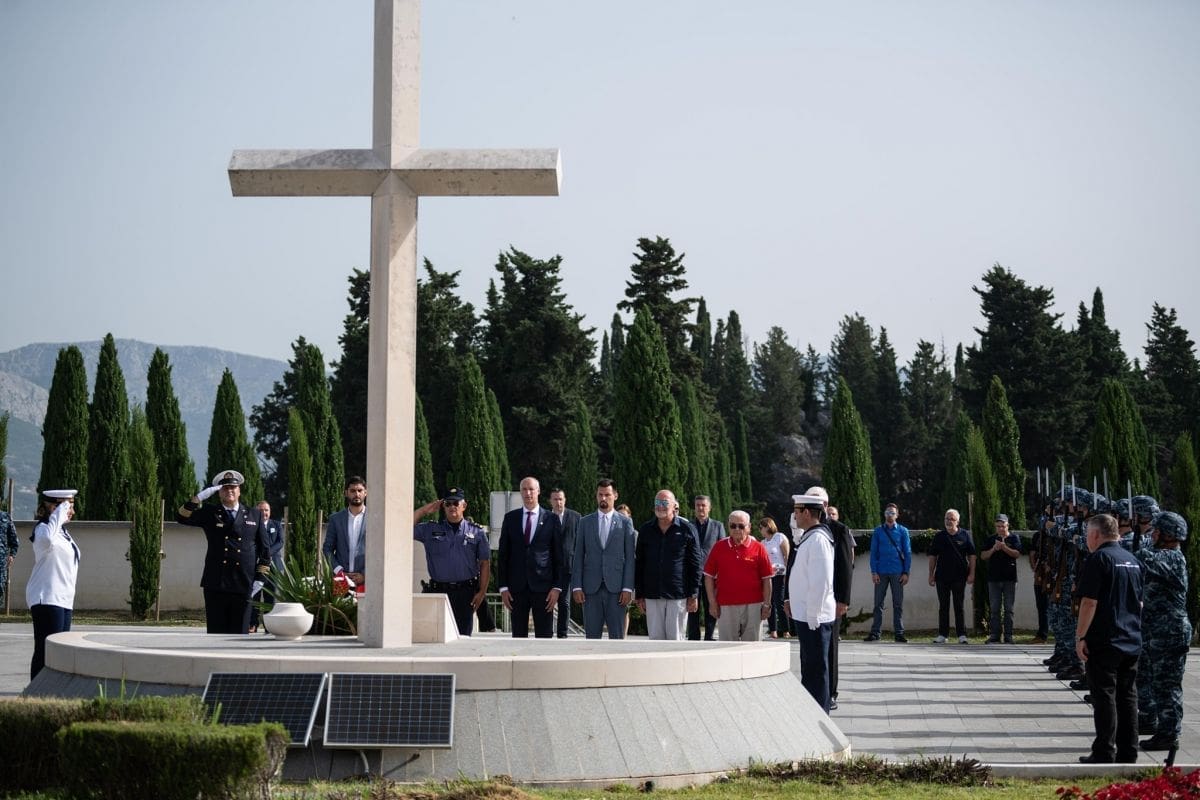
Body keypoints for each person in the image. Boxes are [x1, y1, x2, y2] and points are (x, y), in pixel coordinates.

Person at [1075, 512, 1143, 764]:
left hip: (1105, 640)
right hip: (1131, 638)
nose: (1086, 540)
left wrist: (1081, 636)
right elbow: (1140, 602)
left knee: (1104, 696)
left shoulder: (1099, 559)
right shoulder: (1133, 560)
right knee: (1128, 697)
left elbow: (1089, 602)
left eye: (1087, 535)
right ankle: (1129, 751)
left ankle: (1104, 750)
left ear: (1095, 534)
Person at [176, 470, 271, 634]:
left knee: (240, 634)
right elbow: (181, 517)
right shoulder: (209, 512)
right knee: (216, 632)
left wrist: (260, 578)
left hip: (243, 582)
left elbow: (265, 551)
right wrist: (198, 498)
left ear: (239, 490)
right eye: (225, 488)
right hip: (216, 582)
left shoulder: (254, 514)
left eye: (233, 487)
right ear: (219, 492)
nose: (230, 491)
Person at [1135, 511, 1191, 752]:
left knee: (1167, 685)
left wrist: (1139, 539)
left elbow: (1142, 558)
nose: (1152, 534)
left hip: (1170, 631)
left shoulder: (1173, 558)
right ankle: (1150, 720)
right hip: (1155, 631)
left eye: (1156, 531)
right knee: (1150, 680)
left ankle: (1169, 734)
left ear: (1168, 535)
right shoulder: (1162, 554)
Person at [412, 488, 491, 636]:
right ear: (443, 506)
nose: (452, 507)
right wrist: (424, 510)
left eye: (456, 503)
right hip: (438, 592)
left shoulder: (477, 532)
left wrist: (481, 592)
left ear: (464, 506)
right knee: (435, 637)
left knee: (462, 638)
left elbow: (485, 563)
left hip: (465, 593)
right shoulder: (431, 529)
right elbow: (402, 528)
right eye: (448, 503)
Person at [785, 493, 836, 711]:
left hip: (813, 617)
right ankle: (811, 712)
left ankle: (819, 713)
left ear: (807, 512)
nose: (794, 515)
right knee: (810, 668)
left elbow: (821, 581)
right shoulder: (810, 536)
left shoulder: (818, 540)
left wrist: (813, 613)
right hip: (806, 615)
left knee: (816, 670)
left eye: (797, 511)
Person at [805, 486, 854, 708]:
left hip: (830, 600)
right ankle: (810, 689)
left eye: (816, 501)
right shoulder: (802, 531)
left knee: (829, 646)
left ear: (824, 505)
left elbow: (845, 567)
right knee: (808, 647)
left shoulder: (839, 530)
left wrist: (843, 600)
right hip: (806, 600)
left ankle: (830, 692)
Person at [570, 479, 636, 639]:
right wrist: (576, 586)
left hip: (617, 590)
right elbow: (578, 556)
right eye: (600, 494)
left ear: (615, 496)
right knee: (591, 638)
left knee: (617, 638)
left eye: (607, 494)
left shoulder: (625, 523)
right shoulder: (585, 522)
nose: (603, 498)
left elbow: (630, 558)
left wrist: (628, 588)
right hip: (590, 590)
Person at [498, 476, 563, 638]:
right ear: (520, 492)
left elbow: (559, 557)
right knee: (518, 636)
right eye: (524, 490)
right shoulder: (510, 518)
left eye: (531, 489)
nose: (528, 493)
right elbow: (503, 555)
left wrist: (557, 587)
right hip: (516, 588)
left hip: (544, 588)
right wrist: (503, 587)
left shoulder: (551, 519)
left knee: (544, 636)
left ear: (538, 492)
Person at [634, 489, 701, 640]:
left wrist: (694, 594)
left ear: (674, 506)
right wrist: (639, 594)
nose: (660, 506)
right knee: (655, 641)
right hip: (652, 594)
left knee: (675, 640)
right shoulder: (645, 530)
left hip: (678, 595)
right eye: (657, 503)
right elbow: (639, 564)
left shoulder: (687, 529)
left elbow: (695, 564)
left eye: (664, 503)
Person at [26, 489, 79, 679]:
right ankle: (35, 694)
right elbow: (47, 539)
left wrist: (61, 511)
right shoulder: (43, 529)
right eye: (69, 507)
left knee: (59, 651)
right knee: (45, 650)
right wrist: (60, 511)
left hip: (63, 600)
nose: (72, 511)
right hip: (46, 598)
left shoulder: (63, 533)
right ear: (54, 508)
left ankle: (52, 692)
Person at [703, 510, 773, 642]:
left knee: (752, 648)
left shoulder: (759, 548)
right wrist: (712, 603)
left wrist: (767, 605)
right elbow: (708, 577)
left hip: (753, 606)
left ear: (749, 527)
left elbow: (767, 579)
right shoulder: (719, 547)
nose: (736, 529)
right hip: (726, 605)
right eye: (733, 526)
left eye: (741, 526)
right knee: (727, 648)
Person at [928, 508, 976, 644]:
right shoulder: (939, 537)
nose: (949, 521)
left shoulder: (965, 535)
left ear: (958, 521)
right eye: (947, 518)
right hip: (941, 577)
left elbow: (972, 556)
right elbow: (933, 556)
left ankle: (962, 635)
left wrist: (972, 574)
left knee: (959, 606)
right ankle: (943, 634)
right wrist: (930, 575)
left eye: (952, 519)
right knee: (943, 606)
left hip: (959, 577)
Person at [865, 503, 910, 642]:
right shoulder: (878, 531)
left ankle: (899, 633)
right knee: (878, 603)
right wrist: (874, 572)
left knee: (898, 603)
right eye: (887, 512)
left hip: (897, 572)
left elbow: (907, 552)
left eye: (892, 512)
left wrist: (906, 572)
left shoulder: (903, 531)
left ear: (897, 515)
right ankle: (875, 632)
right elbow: (874, 553)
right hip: (881, 571)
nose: (890, 514)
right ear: (884, 514)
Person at [687, 495, 726, 641]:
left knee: (711, 604)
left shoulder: (718, 526)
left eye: (703, 505)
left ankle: (709, 636)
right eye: (697, 505)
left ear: (709, 507)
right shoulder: (689, 526)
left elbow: (722, 549)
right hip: (693, 573)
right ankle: (693, 637)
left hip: (711, 574)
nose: (700, 508)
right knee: (692, 606)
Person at [981, 514, 1022, 643]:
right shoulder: (990, 539)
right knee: (994, 609)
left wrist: (1004, 547)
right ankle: (995, 635)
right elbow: (983, 556)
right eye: (998, 526)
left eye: (1002, 526)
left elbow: (1017, 554)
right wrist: (994, 548)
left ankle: (1008, 636)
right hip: (993, 579)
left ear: (1007, 525)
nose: (1000, 529)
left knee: (1009, 608)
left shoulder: (1014, 538)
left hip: (1009, 579)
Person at [322, 476, 368, 585]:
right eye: (352, 491)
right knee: (339, 603)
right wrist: (339, 571)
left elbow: (379, 550)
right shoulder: (336, 519)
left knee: (368, 603)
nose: (356, 494)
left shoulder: (374, 518)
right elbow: (327, 549)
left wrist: (365, 574)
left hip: (366, 581)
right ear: (346, 493)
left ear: (365, 493)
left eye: (360, 490)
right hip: (341, 580)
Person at [249, 499, 286, 632]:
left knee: (270, 596)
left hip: (273, 566)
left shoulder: (276, 525)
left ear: (270, 512)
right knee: (255, 595)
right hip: (256, 566)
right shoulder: (251, 525)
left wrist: (267, 554)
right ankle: (253, 624)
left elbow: (280, 542)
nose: (264, 512)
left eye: (266, 510)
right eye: (261, 510)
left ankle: (268, 625)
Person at [549, 488, 582, 638]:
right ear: (550, 501)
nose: (558, 502)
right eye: (555, 499)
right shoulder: (545, 517)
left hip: (568, 567)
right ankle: (547, 631)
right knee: (547, 600)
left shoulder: (576, 517)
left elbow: (580, 543)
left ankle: (562, 633)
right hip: (548, 568)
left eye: (561, 499)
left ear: (565, 500)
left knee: (565, 602)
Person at [757, 516, 789, 638]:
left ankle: (785, 630)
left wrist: (787, 574)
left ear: (768, 526)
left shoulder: (779, 537)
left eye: (761, 527)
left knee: (779, 600)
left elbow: (786, 555)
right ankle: (773, 630)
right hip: (768, 575)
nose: (760, 530)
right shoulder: (763, 543)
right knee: (769, 602)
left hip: (780, 574)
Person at [0, 505, 18, 608]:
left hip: (1, 564)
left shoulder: (5, 517)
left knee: (0, 589)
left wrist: (12, 554)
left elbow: (14, 540)